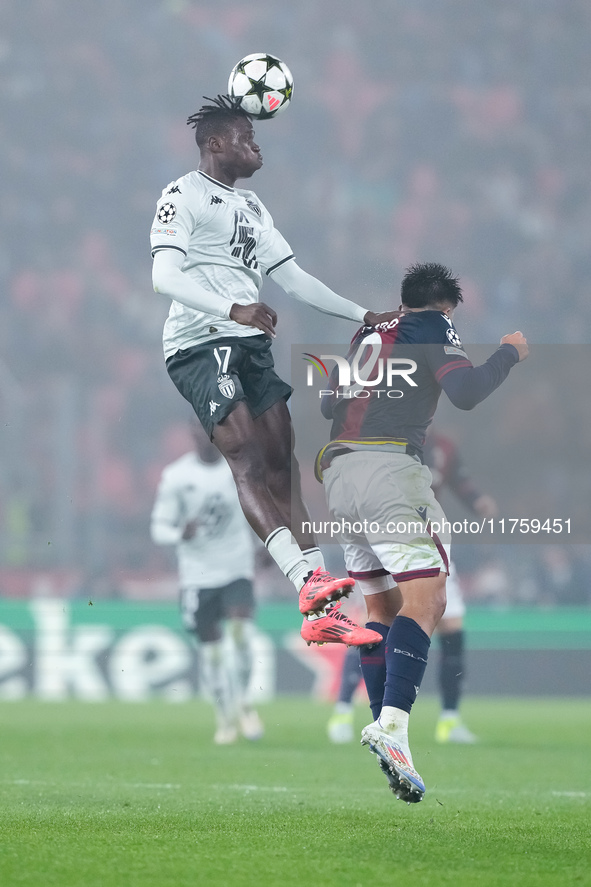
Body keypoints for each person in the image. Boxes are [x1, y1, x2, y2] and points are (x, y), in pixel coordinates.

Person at [150, 95, 399, 650]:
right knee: (245, 455)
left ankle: (322, 609)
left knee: (282, 461)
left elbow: (295, 279)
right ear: (215, 143)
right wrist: (232, 308)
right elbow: (164, 275)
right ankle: (307, 581)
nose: (256, 146)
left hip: (249, 343)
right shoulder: (181, 196)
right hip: (200, 341)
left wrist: (364, 314)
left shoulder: (254, 208)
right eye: (245, 137)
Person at [316, 261, 528, 802]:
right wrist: (509, 352)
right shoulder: (432, 324)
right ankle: (392, 728)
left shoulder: (367, 328)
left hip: (339, 475)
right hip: (390, 471)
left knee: (381, 611)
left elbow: (326, 402)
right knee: (429, 600)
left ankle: (388, 736)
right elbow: (466, 392)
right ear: (445, 306)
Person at [326, 430, 498, 746]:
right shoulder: (385, 442)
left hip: (428, 540)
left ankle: (449, 718)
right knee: (380, 619)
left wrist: (478, 502)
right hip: (394, 538)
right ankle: (344, 709)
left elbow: (460, 481)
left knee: (450, 626)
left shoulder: (444, 446)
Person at [150, 421, 263, 745]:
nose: (206, 439)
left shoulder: (239, 470)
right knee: (212, 655)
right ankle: (224, 718)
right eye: (200, 433)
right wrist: (178, 533)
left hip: (236, 566)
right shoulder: (177, 477)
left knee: (242, 634)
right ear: (192, 436)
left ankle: (243, 702)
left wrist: (264, 545)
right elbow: (158, 527)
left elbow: (257, 510)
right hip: (198, 576)